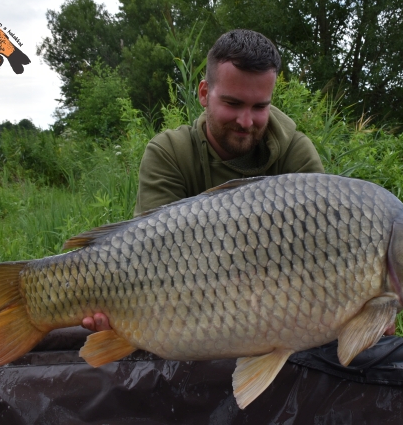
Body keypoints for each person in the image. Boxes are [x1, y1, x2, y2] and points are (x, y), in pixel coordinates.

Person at [82, 29, 324, 332]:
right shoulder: (170, 152)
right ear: (203, 93)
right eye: (233, 104)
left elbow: (317, 258)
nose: (246, 121)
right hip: (183, 310)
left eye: (260, 107)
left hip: (276, 312)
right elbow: (147, 258)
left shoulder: (295, 154)